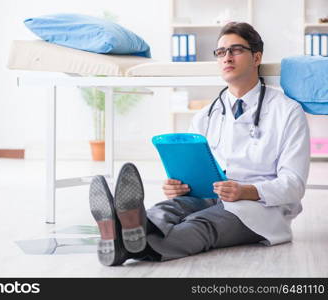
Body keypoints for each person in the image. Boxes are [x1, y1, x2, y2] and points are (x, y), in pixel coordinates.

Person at [89, 22, 310, 265]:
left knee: (201, 226)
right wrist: (179, 186)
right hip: (206, 197)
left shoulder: (287, 112)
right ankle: (128, 234)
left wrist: (246, 190)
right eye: (221, 52)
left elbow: (294, 184)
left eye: (235, 50)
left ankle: (123, 241)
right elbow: (194, 170)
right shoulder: (206, 114)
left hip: (258, 207)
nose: (226, 57)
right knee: (166, 209)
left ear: (256, 57)